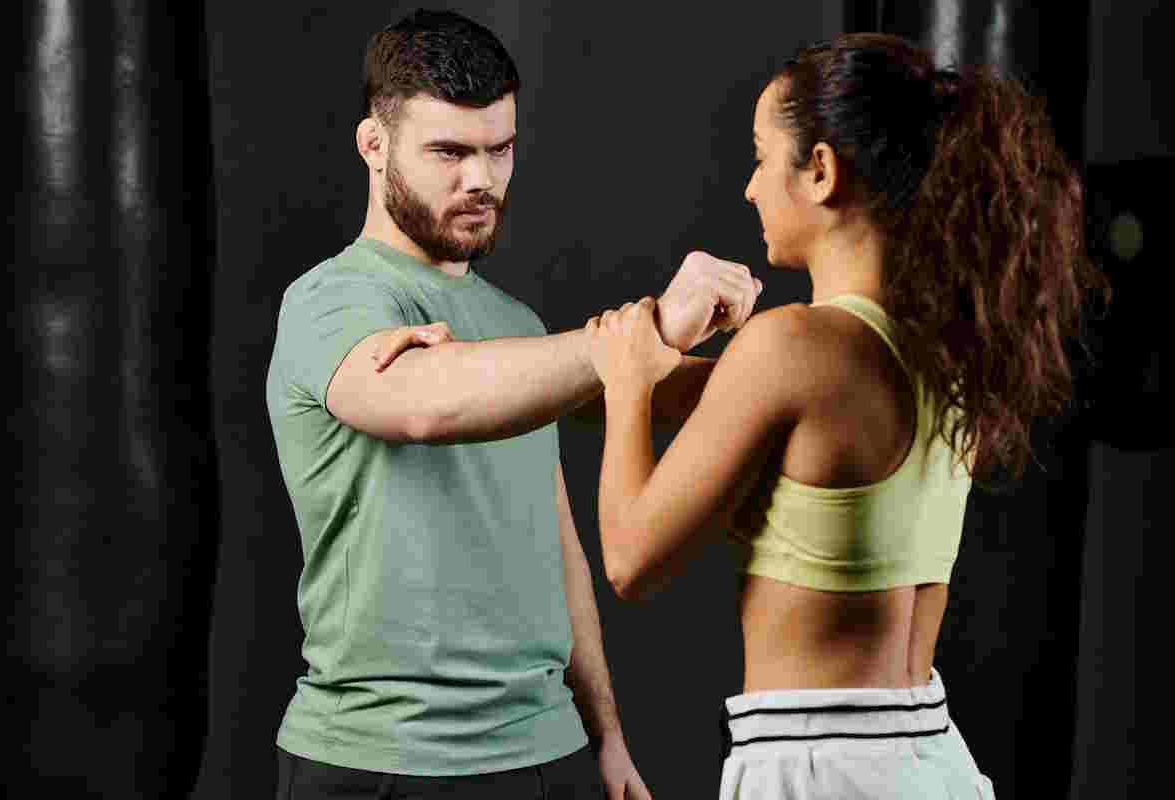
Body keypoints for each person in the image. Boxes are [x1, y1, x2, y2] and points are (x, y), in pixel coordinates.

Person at [578, 33, 1110, 799]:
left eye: (763, 159)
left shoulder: (793, 347)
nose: (751, 188)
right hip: (928, 757)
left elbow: (630, 560)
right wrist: (643, 361)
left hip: (821, 764)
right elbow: (690, 400)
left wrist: (628, 379)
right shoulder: (934, 347)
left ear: (821, 172)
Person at [265, 9, 761, 800]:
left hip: (544, 752)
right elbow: (423, 405)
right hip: (379, 762)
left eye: (499, 149)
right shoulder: (332, 301)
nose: (481, 180)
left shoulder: (515, 327)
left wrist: (606, 735)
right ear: (374, 145)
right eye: (449, 152)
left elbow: (554, 546)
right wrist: (651, 328)